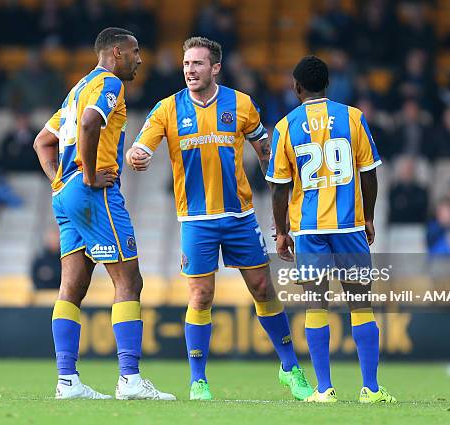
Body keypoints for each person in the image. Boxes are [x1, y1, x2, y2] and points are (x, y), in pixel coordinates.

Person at [127, 37, 312, 401]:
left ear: (214, 68)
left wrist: (281, 200)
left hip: (240, 216)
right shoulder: (167, 109)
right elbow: (142, 144)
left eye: (197, 64)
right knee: (201, 295)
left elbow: (265, 151)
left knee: (262, 288)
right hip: (196, 220)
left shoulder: (240, 104)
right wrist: (137, 154)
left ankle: (290, 368)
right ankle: (199, 380)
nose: (190, 71)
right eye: (186, 64)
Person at [33, 27, 175, 401]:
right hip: (92, 192)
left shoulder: (76, 90)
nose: (140, 59)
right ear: (116, 53)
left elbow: (42, 142)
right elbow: (90, 123)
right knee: (129, 280)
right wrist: (91, 173)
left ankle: (68, 381)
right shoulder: (109, 83)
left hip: (65, 193)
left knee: (72, 286)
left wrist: (59, 180)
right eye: (135, 52)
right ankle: (129, 379)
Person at [266, 55, 396, 403]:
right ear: (328, 85)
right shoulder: (353, 117)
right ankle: (370, 388)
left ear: (297, 87)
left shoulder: (285, 126)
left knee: (316, 307)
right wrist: (368, 217)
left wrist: (281, 231)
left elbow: (279, 186)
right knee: (362, 305)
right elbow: (369, 173)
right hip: (349, 226)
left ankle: (324, 389)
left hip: (309, 231)